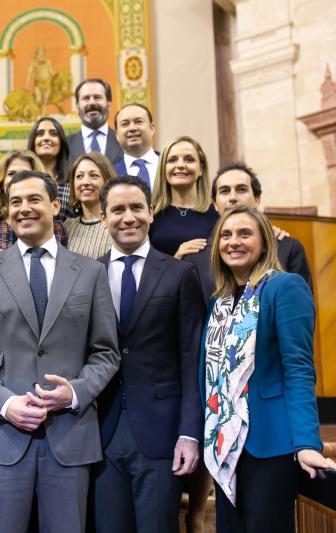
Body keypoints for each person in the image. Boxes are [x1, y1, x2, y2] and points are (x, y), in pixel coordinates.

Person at [0, 170, 120, 533]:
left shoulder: (90, 273)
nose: (24, 208)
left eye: (33, 200)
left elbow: (106, 351)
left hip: (69, 435)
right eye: (15, 202)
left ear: (54, 204)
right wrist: (4, 402)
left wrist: (76, 392)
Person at [201, 206, 335, 532]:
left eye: (245, 234)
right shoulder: (220, 302)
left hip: (270, 443)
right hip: (225, 443)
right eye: (227, 235)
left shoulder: (284, 287)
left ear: (264, 242)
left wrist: (306, 442)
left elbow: (299, 368)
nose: (234, 242)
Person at [95, 176, 205, 532]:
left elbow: (192, 360)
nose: (128, 217)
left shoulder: (179, 273)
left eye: (136, 208)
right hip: (101, 432)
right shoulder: (86, 274)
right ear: (102, 217)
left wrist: (189, 432)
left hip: (162, 433)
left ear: (151, 212)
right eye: (117, 210)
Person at [184, 162, 312, 300]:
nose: (232, 197)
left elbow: (302, 308)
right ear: (215, 204)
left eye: (241, 190)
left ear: (257, 199)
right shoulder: (195, 258)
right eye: (224, 191)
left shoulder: (289, 248)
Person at [0, 149, 66, 251]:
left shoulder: (57, 229)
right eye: (11, 173)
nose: (18, 178)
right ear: (1, 183)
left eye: (25, 173)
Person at [150, 136, 219, 259]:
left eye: (189, 159)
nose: (180, 165)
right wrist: (177, 259)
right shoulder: (150, 214)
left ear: (201, 169)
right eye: (172, 160)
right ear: (163, 169)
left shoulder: (216, 213)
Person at [64, 152, 115, 259]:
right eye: (79, 176)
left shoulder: (118, 225)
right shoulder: (66, 227)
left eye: (94, 175)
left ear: (108, 181)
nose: (85, 182)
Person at [26, 116, 73, 222]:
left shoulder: (73, 180)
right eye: (40, 134)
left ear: (61, 142)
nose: (46, 138)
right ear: (33, 142)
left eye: (53, 133)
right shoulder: (23, 178)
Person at [67, 78, 123, 164]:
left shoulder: (123, 141)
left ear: (108, 105)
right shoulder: (65, 145)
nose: (92, 103)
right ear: (77, 107)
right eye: (86, 98)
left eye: (97, 97)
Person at [113, 103, 159, 191]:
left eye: (138, 122)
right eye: (125, 124)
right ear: (117, 135)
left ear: (152, 128)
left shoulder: (169, 166)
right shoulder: (110, 173)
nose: (132, 128)